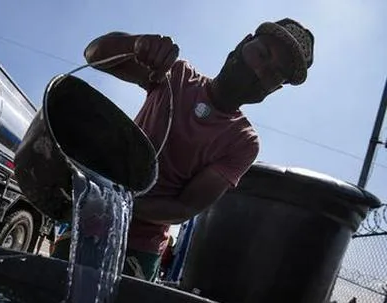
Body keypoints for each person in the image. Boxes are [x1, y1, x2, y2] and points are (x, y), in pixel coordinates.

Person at [52, 18, 315, 281]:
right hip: (89, 221)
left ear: (274, 90)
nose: (259, 71)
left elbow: (183, 207)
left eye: (273, 75)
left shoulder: (242, 141)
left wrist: (117, 202)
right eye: (261, 54)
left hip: (140, 249)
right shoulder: (176, 76)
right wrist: (137, 44)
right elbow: (94, 54)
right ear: (243, 44)